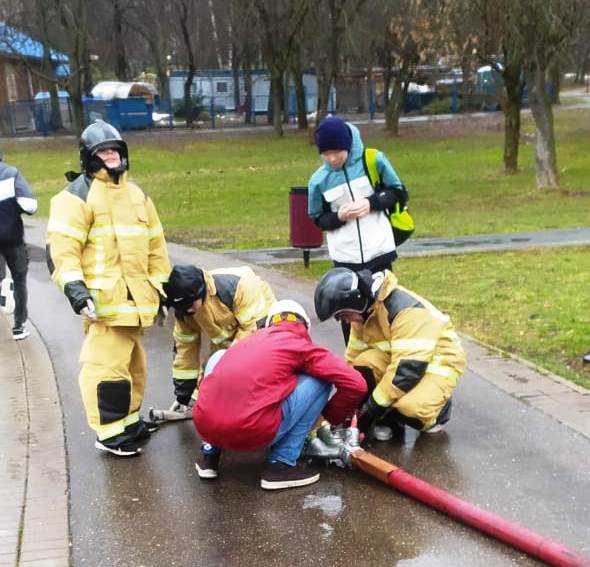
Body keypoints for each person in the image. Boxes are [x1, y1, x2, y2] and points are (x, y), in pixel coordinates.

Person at [46, 120, 170, 457]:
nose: (111, 155)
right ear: (89, 156)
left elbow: (156, 247)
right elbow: (63, 251)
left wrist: (160, 290)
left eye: (114, 149)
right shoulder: (75, 197)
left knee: (134, 367)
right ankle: (110, 432)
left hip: (136, 304)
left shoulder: (137, 196)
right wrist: (76, 291)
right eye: (103, 151)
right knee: (105, 368)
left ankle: (127, 423)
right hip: (103, 306)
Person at [193, 299, 367, 489]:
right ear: (304, 328)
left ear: (268, 324)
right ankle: (281, 464)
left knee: (218, 358)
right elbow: (356, 384)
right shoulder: (299, 344)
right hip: (252, 434)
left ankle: (209, 454)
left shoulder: (247, 341)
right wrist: (331, 416)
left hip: (205, 427)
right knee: (320, 381)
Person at [314, 267, 465, 440]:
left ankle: (438, 411)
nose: (345, 321)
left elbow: (406, 371)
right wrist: (342, 410)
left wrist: (370, 411)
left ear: (355, 301)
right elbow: (352, 362)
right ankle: (390, 417)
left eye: (343, 315)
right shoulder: (364, 313)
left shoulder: (405, 310)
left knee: (410, 409)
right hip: (403, 360)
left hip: (437, 362)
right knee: (363, 364)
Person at [153, 263, 276, 422]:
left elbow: (251, 332)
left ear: (201, 292)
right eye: (183, 308)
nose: (188, 311)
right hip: (227, 334)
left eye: (190, 305)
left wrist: (225, 368)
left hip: (260, 326)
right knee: (216, 366)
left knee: (249, 367)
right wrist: (184, 393)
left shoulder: (237, 288)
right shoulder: (185, 309)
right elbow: (185, 349)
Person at [307, 115, 407, 274]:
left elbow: (398, 193)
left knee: (382, 298)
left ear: (347, 145)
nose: (332, 159)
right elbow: (318, 218)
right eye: (326, 154)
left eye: (337, 151)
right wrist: (338, 216)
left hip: (380, 251)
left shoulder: (374, 160)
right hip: (345, 258)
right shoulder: (318, 181)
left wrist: (371, 203)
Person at [0, 146, 37, 339]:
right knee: (19, 280)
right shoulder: (11, 173)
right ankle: (18, 326)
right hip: (13, 238)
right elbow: (30, 205)